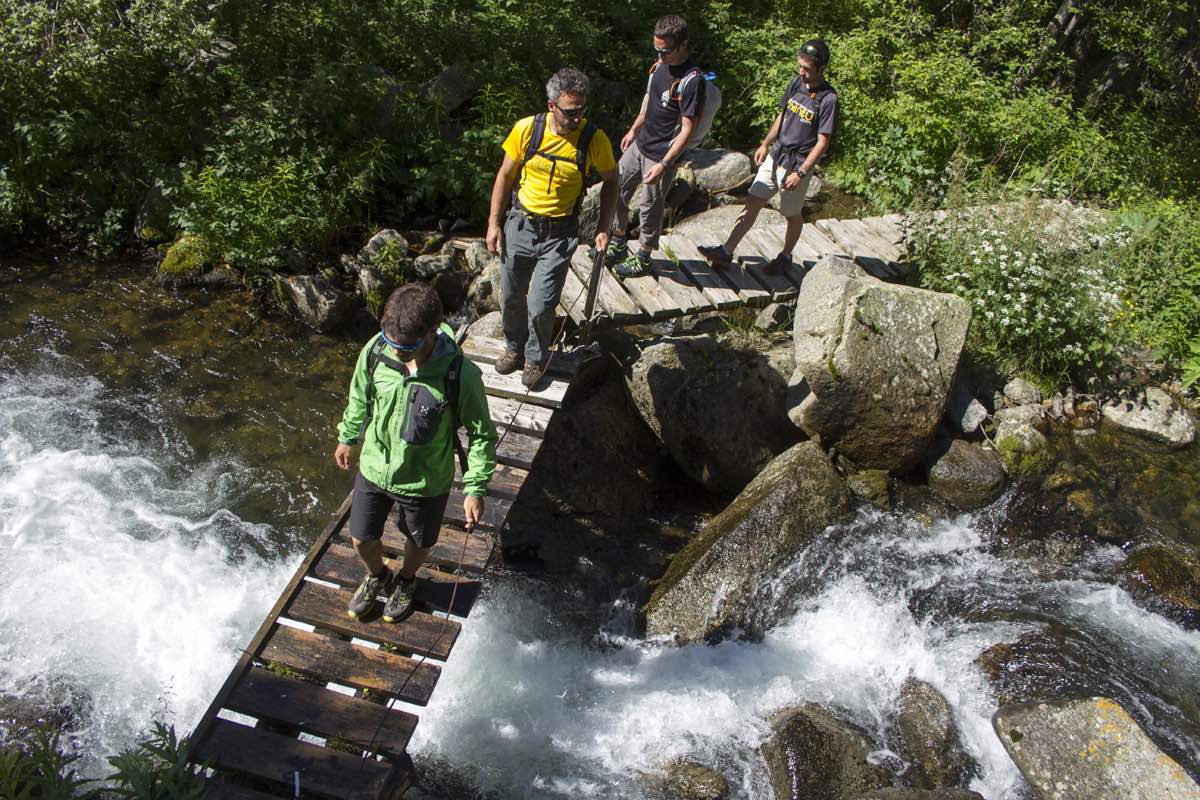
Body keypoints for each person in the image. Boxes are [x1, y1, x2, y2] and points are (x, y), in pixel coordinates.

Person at [334, 283, 497, 622]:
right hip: (375, 468)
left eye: (405, 347)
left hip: (425, 482)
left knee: (418, 543)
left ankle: (407, 579)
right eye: (391, 342)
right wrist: (348, 436)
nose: (396, 352)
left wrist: (475, 488)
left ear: (432, 331)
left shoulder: (460, 375)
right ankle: (379, 576)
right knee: (361, 539)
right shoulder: (377, 350)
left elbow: (482, 434)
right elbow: (358, 394)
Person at [486, 67, 618, 388]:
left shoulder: (594, 140)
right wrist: (494, 222)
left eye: (581, 110)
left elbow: (612, 180)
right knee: (512, 296)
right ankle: (514, 347)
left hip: (559, 233)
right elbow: (504, 175)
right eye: (570, 111)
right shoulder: (527, 130)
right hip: (520, 223)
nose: (576, 118)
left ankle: (535, 357)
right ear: (551, 106)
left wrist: (603, 227)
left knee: (542, 303)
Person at [699, 39, 838, 275]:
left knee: (791, 214)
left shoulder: (828, 99)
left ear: (821, 68)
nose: (801, 72)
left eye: (807, 69)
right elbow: (782, 116)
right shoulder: (796, 83)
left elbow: (823, 142)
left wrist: (801, 172)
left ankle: (785, 256)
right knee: (753, 201)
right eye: (800, 66)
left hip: (796, 165)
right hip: (777, 155)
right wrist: (765, 143)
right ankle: (726, 251)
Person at [608, 14, 706, 278]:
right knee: (615, 186)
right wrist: (633, 129)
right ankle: (617, 242)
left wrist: (665, 164)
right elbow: (648, 99)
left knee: (649, 206)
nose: (660, 56)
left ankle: (643, 256)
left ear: (683, 44)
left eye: (666, 51)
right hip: (640, 144)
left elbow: (688, 128)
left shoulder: (692, 80)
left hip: (661, 155)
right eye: (657, 50)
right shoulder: (659, 66)